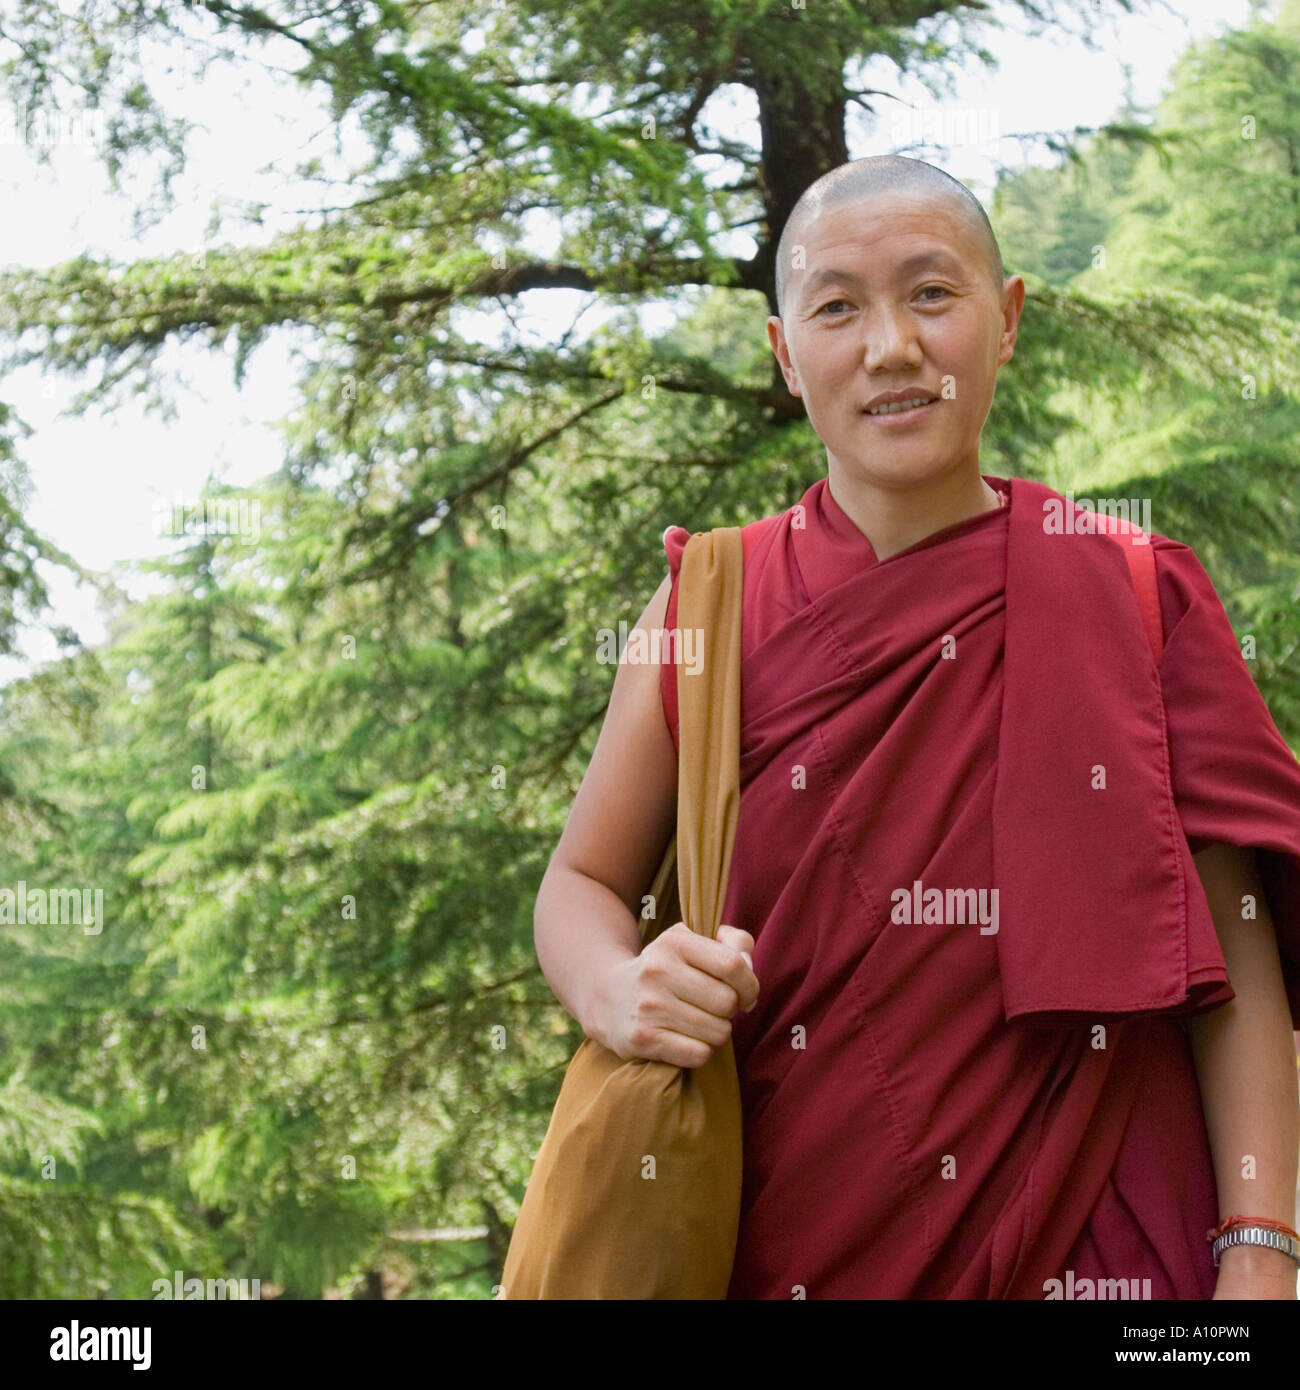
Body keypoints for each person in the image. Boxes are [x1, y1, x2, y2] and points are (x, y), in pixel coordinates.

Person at [532, 155, 1300, 1299]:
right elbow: (579, 881)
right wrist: (613, 987)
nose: (891, 346)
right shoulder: (705, 603)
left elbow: (1235, 958)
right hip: (781, 1232)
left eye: (933, 294)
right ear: (787, 356)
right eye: (837, 307)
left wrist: (1262, 1249)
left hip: (1102, 1242)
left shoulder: (1134, 593)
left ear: (1006, 320)